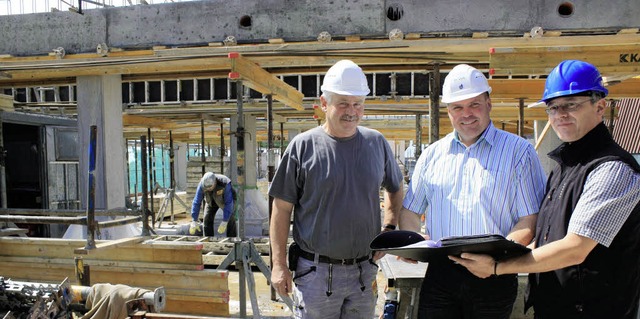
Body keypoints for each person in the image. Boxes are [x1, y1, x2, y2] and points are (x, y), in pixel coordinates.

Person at [450, 60, 640, 319]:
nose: (560, 114)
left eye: (571, 105)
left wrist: (497, 267)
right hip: (558, 307)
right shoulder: (564, 167)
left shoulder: (612, 170)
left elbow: (575, 248)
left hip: (596, 309)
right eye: (552, 107)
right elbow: (549, 237)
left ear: (600, 106)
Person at [398, 64, 547, 319]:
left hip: (494, 276)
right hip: (441, 273)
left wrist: (497, 262)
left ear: (489, 102)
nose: (466, 114)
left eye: (474, 104)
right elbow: (411, 210)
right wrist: (413, 242)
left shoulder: (519, 152)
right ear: (448, 111)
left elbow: (529, 219)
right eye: (458, 107)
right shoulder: (433, 155)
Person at [269, 59, 404, 319]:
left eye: (357, 104)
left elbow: (396, 188)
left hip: (364, 273)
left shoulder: (376, 143)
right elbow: (281, 208)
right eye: (343, 103)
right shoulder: (303, 147)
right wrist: (279, 265)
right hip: (315, 276)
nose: (351, 111)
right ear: (323, 103)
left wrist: (388, 228)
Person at [189, 172, 237, 237]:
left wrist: (225, 221)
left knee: (230, 218)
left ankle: (232, 240)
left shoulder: (224, 183)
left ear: (215, 182)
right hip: (210, 200)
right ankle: (208, 239)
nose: (209, 189)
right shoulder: (202, 185)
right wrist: (194, 220)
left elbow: (228, 203)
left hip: (224, 200)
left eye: (210, 187)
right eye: (207, 188)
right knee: (207, 218)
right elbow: (197, 201)